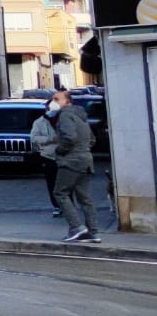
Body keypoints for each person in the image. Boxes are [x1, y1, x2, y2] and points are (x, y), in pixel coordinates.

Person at [47, 90, 100, 244]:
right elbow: (92, 139)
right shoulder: (81, 116)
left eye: (57, 99)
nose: (53, 102)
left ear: (67, 102)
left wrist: (60, 150)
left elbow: (69, 138)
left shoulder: (65, 116)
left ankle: (77, 227)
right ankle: (93, 232)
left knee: (60, 193)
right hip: (86, 160)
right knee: (84, 197)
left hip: (71, 161)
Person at [29, 111, 60, 217]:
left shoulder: (63, 119)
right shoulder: (39, 122)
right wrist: (50, 139)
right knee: (52, 183)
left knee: (66, 182)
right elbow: (33, 138)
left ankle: (68, 204)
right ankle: (56, 205)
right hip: (48, 157)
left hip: (64, 156)